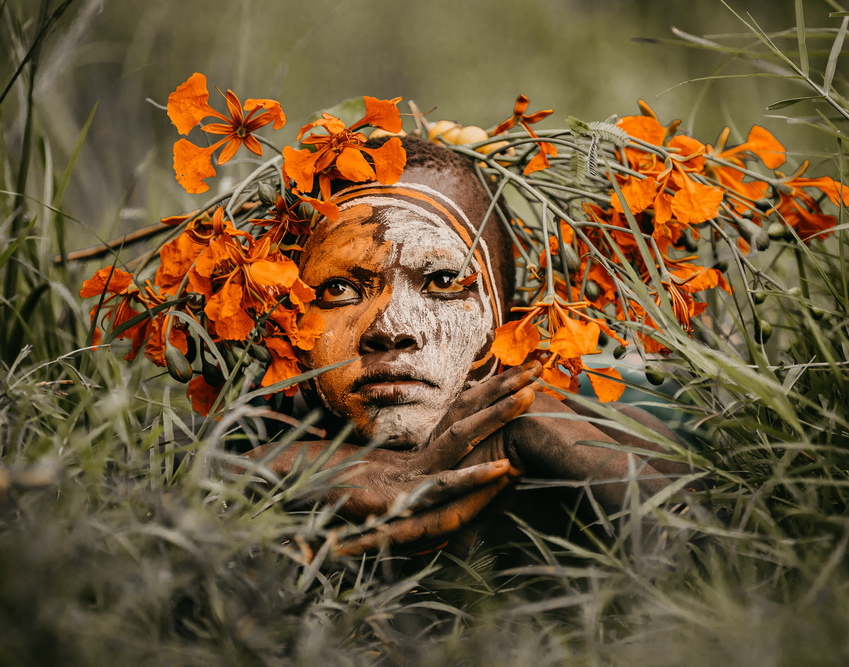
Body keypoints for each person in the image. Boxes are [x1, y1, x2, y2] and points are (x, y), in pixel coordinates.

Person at [244, 136, 691, 556]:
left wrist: (538, 429)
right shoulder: (249, 436)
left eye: (444, 281)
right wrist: (289, 465)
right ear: (285, 321)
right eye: (339, 289)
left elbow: (734, 569)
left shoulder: (615, 441)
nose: (389, 328)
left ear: (514, 323)